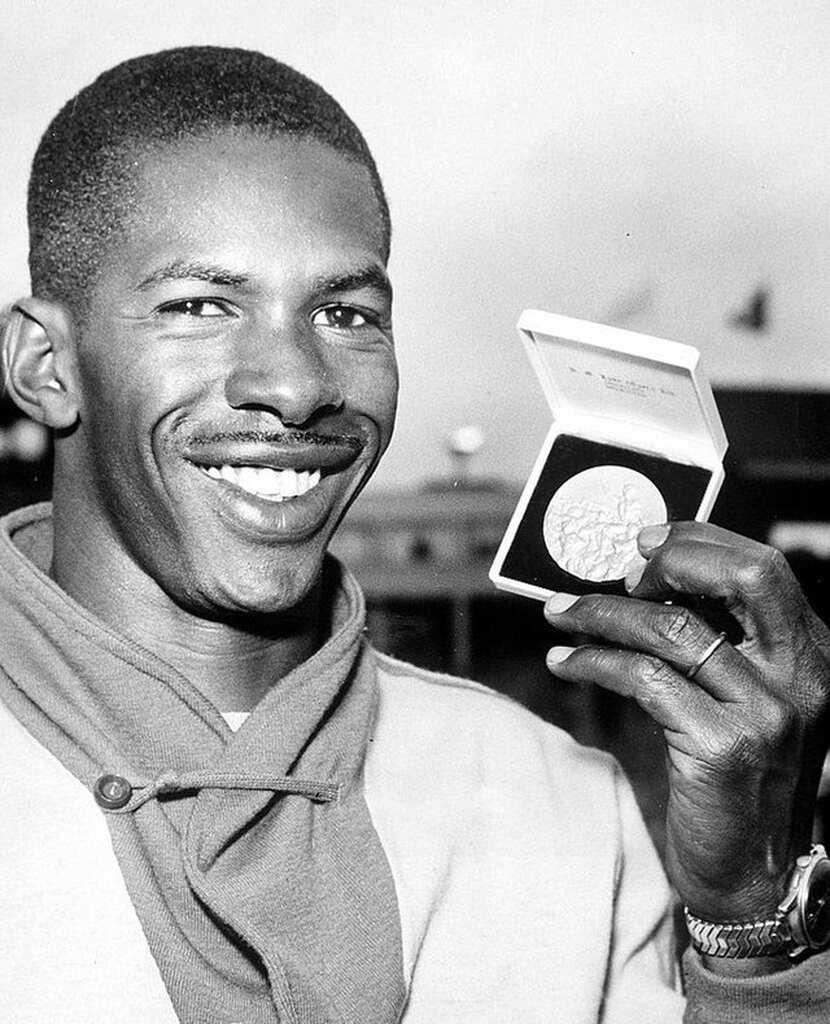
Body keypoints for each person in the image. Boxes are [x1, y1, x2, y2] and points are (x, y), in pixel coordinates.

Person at [0, 45, 828, 1024]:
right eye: (199, 305)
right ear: (46, 364)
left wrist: (751, 932)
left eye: (346, 312)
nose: (300, 383)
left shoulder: (557, 796)